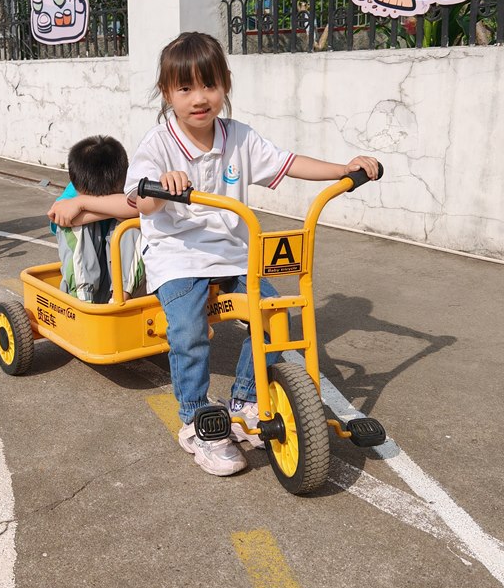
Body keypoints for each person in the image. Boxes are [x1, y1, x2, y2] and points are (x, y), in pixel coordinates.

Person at [124, 32, 379, 477]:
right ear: (167, 93)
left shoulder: (238, 137)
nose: (199, 98)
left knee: (274, 313)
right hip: (179, 253)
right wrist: (161, 187)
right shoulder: (158, 143)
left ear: (225, 83)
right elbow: (139, 201)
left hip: (233, 252)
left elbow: (287, 162)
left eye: (209, 85)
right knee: (188, 329)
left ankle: (245, 398)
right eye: (185, 88)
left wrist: (343, 169)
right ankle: (195, 419)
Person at [47, 135, 145, 303]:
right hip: (88, 282)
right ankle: (82, 299)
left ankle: (119, 299)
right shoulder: (73, 191)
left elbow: (139, 207)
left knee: (131, 226)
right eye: (87, 197)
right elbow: (64, 216)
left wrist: (83, 203)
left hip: (125, 288)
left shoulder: (130, 184)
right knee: (76, 227)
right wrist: (114, 208)